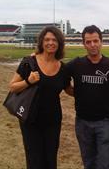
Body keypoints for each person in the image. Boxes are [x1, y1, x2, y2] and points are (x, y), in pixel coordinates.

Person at [9, 26, 70, 169]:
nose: (50, 43)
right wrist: (28, 81)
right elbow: (12, 86)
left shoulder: (63, 68)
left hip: (53, 121)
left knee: (50, 160)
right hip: (31, 120)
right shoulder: (29, 62)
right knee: (34, 160)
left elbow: (70, 90)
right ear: (41, 42)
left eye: (54, 40)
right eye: (47, 39)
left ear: (59, 43)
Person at [65, 25, 109, 169]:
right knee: (88, 162)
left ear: (101, 42)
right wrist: (74, 92)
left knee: (105, 163)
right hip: (82, 122)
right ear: (83, 44)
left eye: (95, 41)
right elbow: (58, 74)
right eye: (88, 42)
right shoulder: (76, 64)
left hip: (105, 122)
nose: (92, 45)